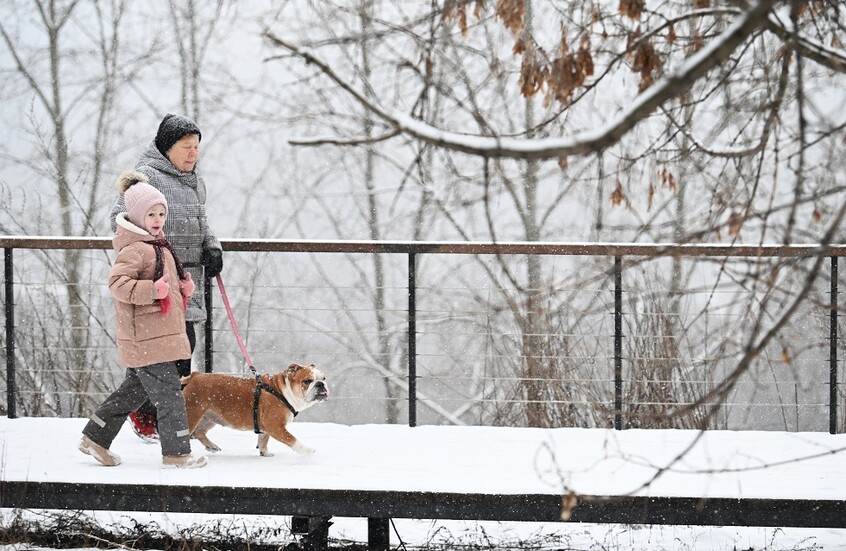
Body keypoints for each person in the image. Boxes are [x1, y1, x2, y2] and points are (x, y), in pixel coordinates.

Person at [79, 171, 207, 468]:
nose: (158, 218)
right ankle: (177, 455)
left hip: (155, 336)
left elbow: (165, 288)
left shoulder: (158, 246)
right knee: (170, 395)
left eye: (161, 213)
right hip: (147, 337)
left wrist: (182, 288)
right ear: (136, 217)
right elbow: (117, 285)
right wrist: (152, 290)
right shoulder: (136, 249)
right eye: (151, 213)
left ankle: (94, 437)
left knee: (132, 392)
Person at [110, 114, 223, 441]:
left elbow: (201, 222)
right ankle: (147, 418)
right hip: (156, 280)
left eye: (197, 147)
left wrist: (212, 247)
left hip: (186, 281)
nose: (193, 153)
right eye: (186, 147)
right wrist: (153, 255)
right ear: (166, 148)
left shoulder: (194, 181)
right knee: (155, 352)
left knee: (183, 345)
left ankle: (171, 422)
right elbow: (119, 220)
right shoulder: (146, 178)